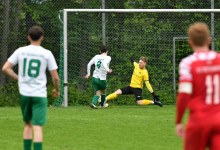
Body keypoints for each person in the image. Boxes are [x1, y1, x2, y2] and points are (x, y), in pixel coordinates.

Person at [2, 26, 60, 150]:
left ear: (28, 37)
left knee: (27, 125)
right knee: (37, 127)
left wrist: (19, 78)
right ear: (42, 38)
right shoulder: (47, 53)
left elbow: (5, 68)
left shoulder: (20, 51)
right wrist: (57, 90)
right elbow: (55, 78)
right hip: (39, 94)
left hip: (25, 93)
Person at [175, 22, 220, 150]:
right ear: (209, 40)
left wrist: (178, 121)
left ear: (190, 42)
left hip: (198, 121)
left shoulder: (188, 63)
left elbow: (184, 95)